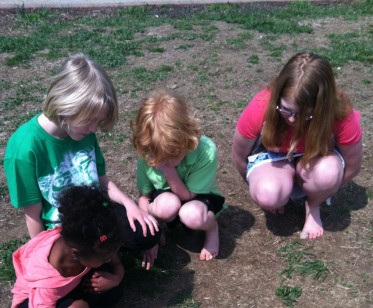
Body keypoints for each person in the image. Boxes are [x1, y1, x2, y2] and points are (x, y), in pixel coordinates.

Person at [4, 52, 159, 251]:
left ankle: (104, 252)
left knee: (147, 233)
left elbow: (102, 180)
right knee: (80, 266)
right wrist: (46, 256)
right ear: (66, 105)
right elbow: (33, 216)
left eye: (99, 121)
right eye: (90, 120)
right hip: (62, 228)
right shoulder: (24, 148)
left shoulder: (81, 131)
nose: (94, 129)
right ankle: (101, 256)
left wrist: (130, 204)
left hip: (96, 212)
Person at [232, 51, 363, 239]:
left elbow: (353, 166)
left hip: (316, 157)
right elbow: (239, 155)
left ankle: (313, 206)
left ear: (322, 108)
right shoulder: (262, 105)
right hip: (272, 158)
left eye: (304, 115)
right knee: (268, 193)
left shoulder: (340, 115)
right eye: (285, 109)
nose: (292, 119)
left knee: (328, 174)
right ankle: (281, 189)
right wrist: (263, 184)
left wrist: (325, 190)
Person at [11, 185, 125, 308]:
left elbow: (116, 264)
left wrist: (115, 279)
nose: (109, 259)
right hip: (33, 302)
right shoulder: (46, 281)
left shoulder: (93, 240)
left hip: (70, 282)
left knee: (114, 292)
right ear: (76, 254)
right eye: (105, 258)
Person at [131, 89, 225, 268]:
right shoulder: (149, 152)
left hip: (197, 198)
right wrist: (150, 234)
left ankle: (212, 229)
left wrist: (168, 171)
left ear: (186, 138)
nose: (163, 160)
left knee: (191, 215)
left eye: (171, 155)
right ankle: (159, 225)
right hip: (167, 198)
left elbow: (188, 196)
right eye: (158, 156)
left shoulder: (206, 150)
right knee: (167, 205)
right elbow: (144, 196)